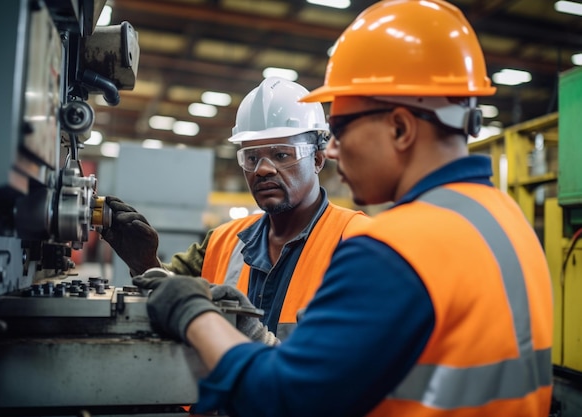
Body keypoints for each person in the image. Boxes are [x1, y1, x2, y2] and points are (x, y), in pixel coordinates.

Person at [130, 0, 554, 416]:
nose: (332, 149)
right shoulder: (505, 219)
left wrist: (194, 314)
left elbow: (282, 397)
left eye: (342, 128)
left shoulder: (394, 248)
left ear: (401, 127)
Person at [102, 76, 366, 342]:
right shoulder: (223, 241)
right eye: (251, 158)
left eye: (281, 155)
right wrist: (145, 262)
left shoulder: (357, 240)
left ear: (318, 159)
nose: (263, 169)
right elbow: (171, 294)